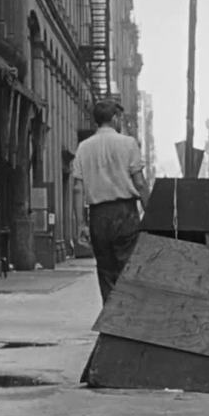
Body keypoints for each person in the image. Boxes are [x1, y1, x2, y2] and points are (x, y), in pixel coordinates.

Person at [72, 99, 150, 304]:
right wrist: (149, 212)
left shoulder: (83, 147)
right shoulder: (128, 143)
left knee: (105, 270)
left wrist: (81, 223)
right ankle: (126, 318)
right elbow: (140, 183)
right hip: (125, 213)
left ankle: (110, 321)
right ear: (115, 118)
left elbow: (78, 188)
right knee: (127, 267)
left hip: (98, 215)